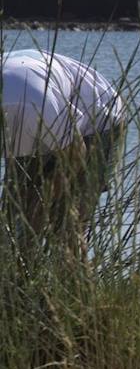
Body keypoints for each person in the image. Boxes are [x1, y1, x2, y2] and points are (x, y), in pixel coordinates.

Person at [1, 47, 125, 242]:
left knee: (68, 235)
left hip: (97, 124)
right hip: (37, 115)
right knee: (11, 230)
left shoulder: (32, 108)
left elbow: (76, 156)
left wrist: (42, 200)